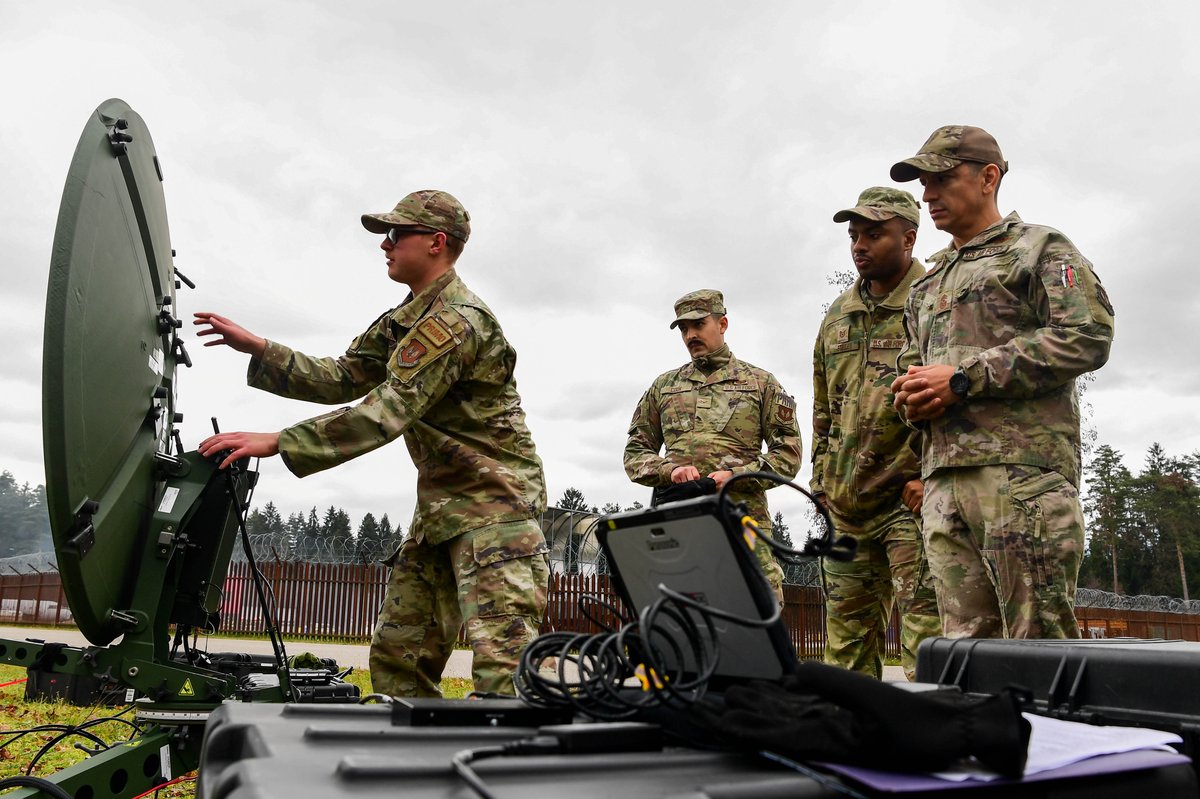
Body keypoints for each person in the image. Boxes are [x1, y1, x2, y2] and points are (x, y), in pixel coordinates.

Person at [194, 189, 549, 696]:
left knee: (504, 672)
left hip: (496, 513)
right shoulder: (406, 320)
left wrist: (277, 441)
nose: (385, 244)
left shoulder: (455, 321)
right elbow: (345, 376)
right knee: (398, 657)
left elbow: (386, 411)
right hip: (442, 513)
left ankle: (512, 772)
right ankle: (411, 766)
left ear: (436, 242)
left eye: (397, 234)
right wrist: (261, 349)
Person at [889, 126, 1115, 639]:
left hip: (1020, 479)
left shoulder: (1039, 249)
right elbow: (911, 369)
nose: (928, 195)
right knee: (965, 655)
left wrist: (965, 379)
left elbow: (1087, 335)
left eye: (942, 179)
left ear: (988, 177)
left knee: (1038, 646)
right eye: (924, 183)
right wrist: (911, 398)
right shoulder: (929, 281)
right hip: (944, 484)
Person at [812, 187, 942, 680]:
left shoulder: (935, 301)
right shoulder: (838, 315)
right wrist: (822, 484)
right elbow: (825, 405)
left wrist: (931, 479)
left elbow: (961, 402)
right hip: (847, 510)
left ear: (909, 237)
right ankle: (850, 747)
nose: (859, 245)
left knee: (927, 646)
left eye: (874, 234)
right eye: (854, 236)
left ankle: (932, 748)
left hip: (909, 502)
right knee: (844, 656)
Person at [623, 289, 801, 597]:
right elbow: (635, 453)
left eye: (698, 324)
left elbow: (788, 453)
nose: (690, 334)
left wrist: (737, 476)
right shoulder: (664, 387)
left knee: (757, 620)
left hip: (744, 525)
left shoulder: (760, 383)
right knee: (677, 624)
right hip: (679, 526)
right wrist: (669, 471)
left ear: (722, 324)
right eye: (683, 328)